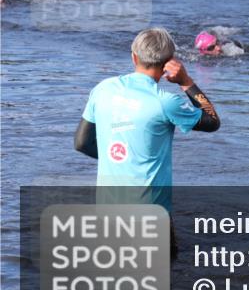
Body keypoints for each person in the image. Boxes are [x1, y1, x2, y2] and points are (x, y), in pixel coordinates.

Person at [74, 28, 220, 256]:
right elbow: (212, 120)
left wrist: (121, 161)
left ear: (134, 57)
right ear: (168, 63)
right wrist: (186, 82)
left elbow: (82, 143)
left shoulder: (103, 89)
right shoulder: (165, 102)